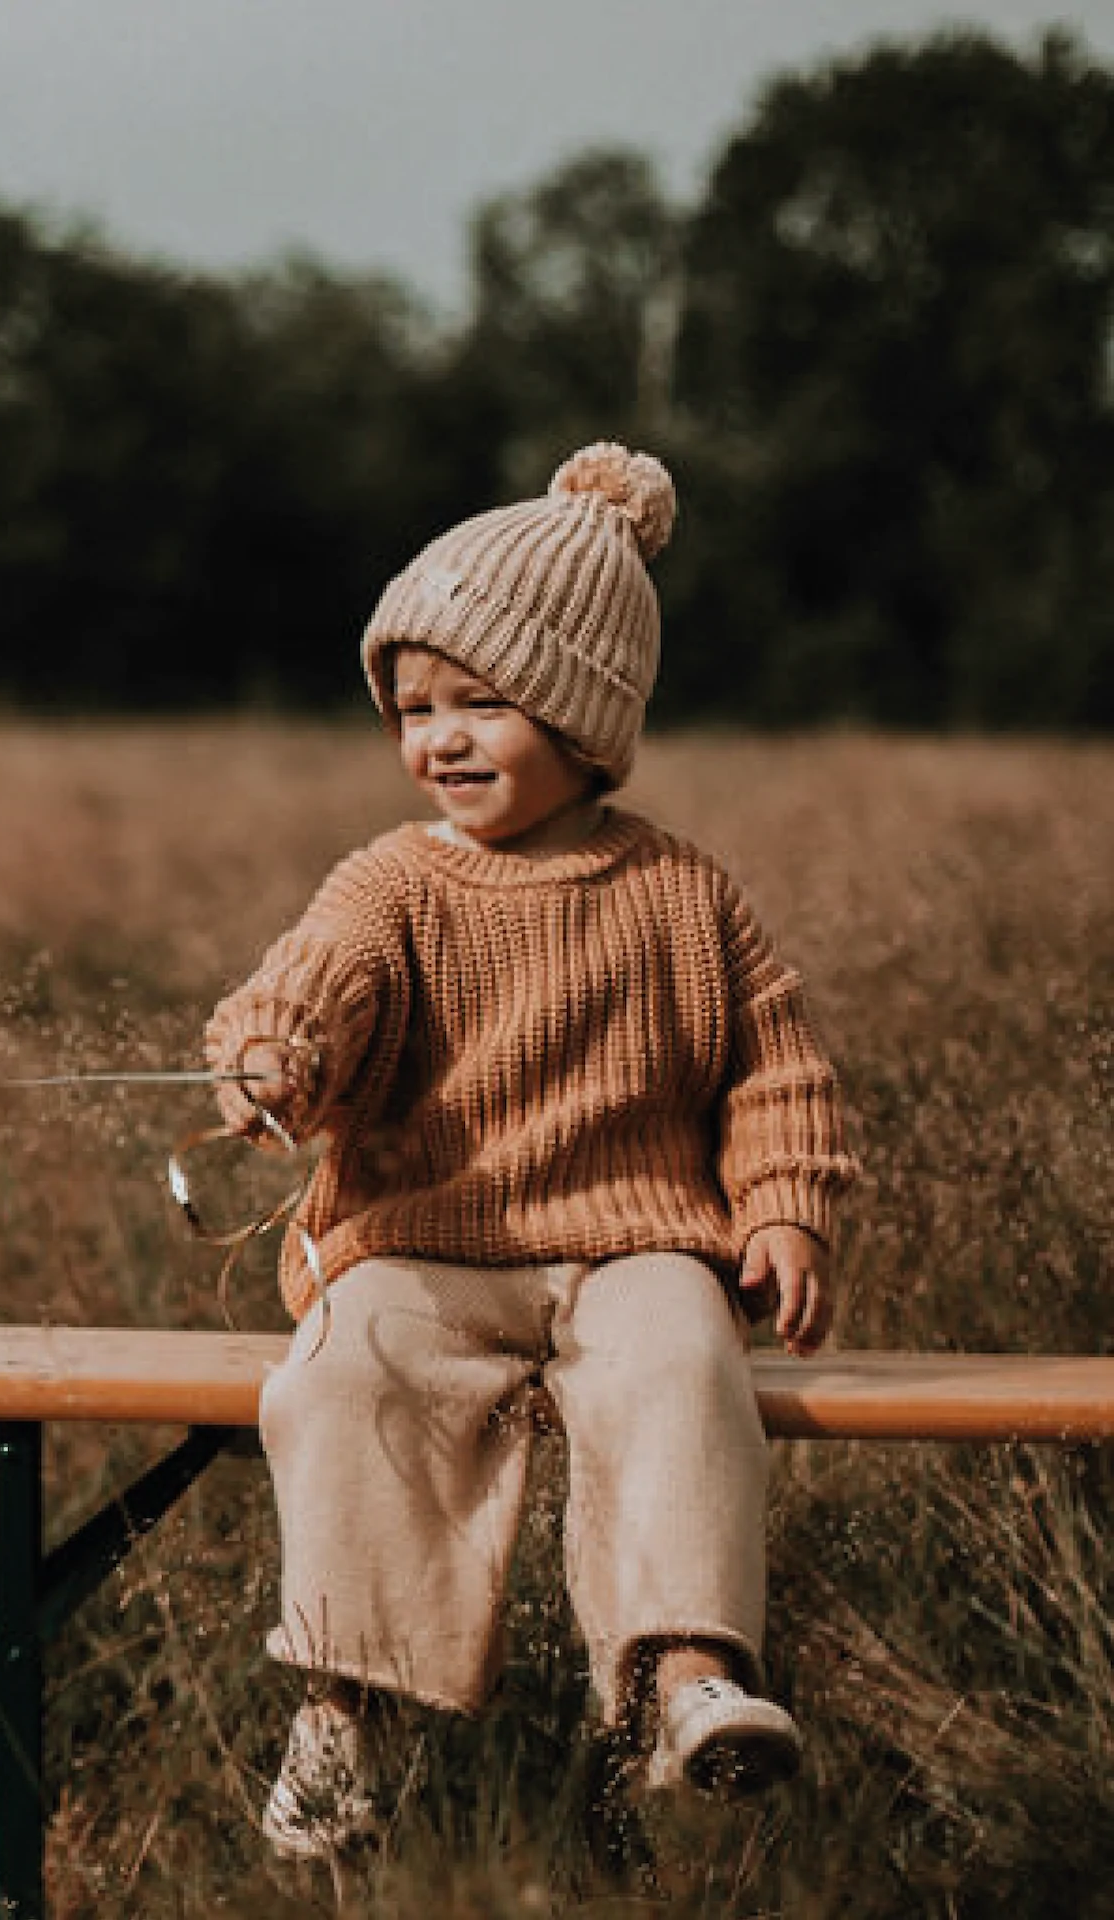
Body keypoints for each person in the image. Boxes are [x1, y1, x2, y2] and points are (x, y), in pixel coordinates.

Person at [202, 443, 857, 1862]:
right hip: (426, 1239)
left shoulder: (684, 893)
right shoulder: (394, 881)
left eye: (481, 703)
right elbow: (321, 982)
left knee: (684, 1362)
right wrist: (276, 1054)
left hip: (633, 1243)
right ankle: (345, 1709)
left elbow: (775, 1066)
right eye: (413, 706)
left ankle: (686, 1673)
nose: (439, 738)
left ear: (584, 716)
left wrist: (784, 1209)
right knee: (351, 1372)